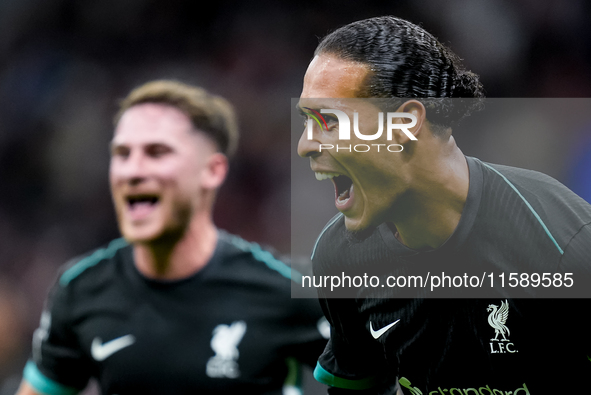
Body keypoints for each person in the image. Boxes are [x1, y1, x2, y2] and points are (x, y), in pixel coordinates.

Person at [297, 16, 591, 394]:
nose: (305, 145)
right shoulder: (341, 260)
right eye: (307, 121)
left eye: (330, 121)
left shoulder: (562, 246)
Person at [17, 80, 328, 395]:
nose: (132, 171)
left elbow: (373, 378)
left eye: (157, 152)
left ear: (212, 171)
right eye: (122, 154)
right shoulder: (80, 289)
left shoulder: (285, 288)